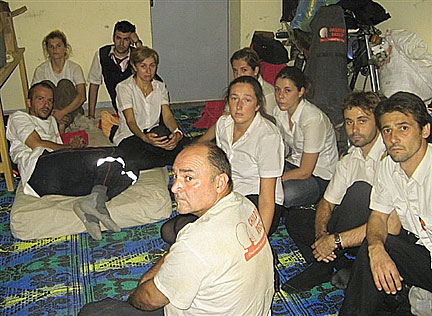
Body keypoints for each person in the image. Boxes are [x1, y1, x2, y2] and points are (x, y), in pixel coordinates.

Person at [78, 142, 274, 316]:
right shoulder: (243, 203)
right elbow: (185, 250)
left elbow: (147, 299)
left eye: (188, 178)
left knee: (94, 311)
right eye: (175, 176)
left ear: (220, 183)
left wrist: (136, 295)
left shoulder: (195, 243)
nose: (174, 187)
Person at [281, 92, 400, 293]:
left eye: (362, 121)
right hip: (345, 235)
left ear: (378, 122)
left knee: (360, 192)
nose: (354, 129)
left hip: (379, 235)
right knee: (296, 218)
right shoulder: (350, 158)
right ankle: (335, 263)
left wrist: (334, 241)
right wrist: (322, 235)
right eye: (349, 122)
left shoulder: (390, 157)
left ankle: (324, 265)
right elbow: (327, 203)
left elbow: (390, 223)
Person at [6, 82, 138, 240]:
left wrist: (70, 145)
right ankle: (97, 201)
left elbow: (61, 151)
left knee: (131, 169)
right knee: (116, 154)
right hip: (39, 167)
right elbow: (36, 144)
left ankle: (92, 204)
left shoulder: (52, 122)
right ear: (29, 102)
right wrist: (68, 147)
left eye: (50, 100)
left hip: (57, 181)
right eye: (40, 99)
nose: (46, 104)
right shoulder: (19, 117)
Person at [339, 92, 432, 315]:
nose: (394, 138)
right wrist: (376, 249)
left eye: (404, 128)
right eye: (387, 130)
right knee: (376, 245)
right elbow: (379, 216)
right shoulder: (389, 166)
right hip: (422, 251)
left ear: (425, 130)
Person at [112, 46, 188, 171]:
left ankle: (166, 156)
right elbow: (130, 121)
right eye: (143, 66)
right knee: (133, 160)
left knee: (175, 141)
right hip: (132, 136)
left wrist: (177, 133)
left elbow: (167, 116)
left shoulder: (160, 86)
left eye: (152, 66)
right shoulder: (124, 88)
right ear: (134, 67)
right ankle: (169, 158)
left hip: (154, 133)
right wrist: (144, 138)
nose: (148, 71)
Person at [32, 30, 86, 133]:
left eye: (58, 46)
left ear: (65, 48)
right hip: (50, 111)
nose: (55, 49)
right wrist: (52, 113)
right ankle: (57, 123)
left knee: (64, 84)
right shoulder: (41, 70)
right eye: (51, 47)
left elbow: (82, 96)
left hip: (70, 110)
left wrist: (61, 113)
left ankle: (61, 124)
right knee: (46, 85)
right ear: (47, 50)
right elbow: (34, 97)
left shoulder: (74, 68)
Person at [87, 20, 145, 117]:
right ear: (113, 38)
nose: (121, 43)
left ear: (131, 40)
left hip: (141, 104)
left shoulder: (137, 54)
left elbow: (149, 73)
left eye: (126, 39)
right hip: (120, 107)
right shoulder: (102, 54)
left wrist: (138, 43)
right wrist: (91, 115)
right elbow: (94, 84)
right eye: (118, 38)